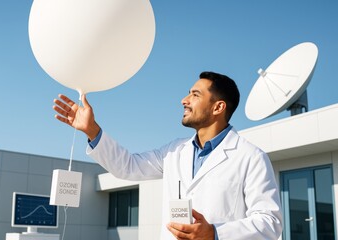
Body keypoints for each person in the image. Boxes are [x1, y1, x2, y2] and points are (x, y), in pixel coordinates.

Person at [53, 71, 283, 240]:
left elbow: (270, 223)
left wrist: (214, 233)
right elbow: (129, 166)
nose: (184, 100)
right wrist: (92, 130)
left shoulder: (251, 157)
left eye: (195, 94)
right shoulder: (175, 151)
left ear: (218, 108)